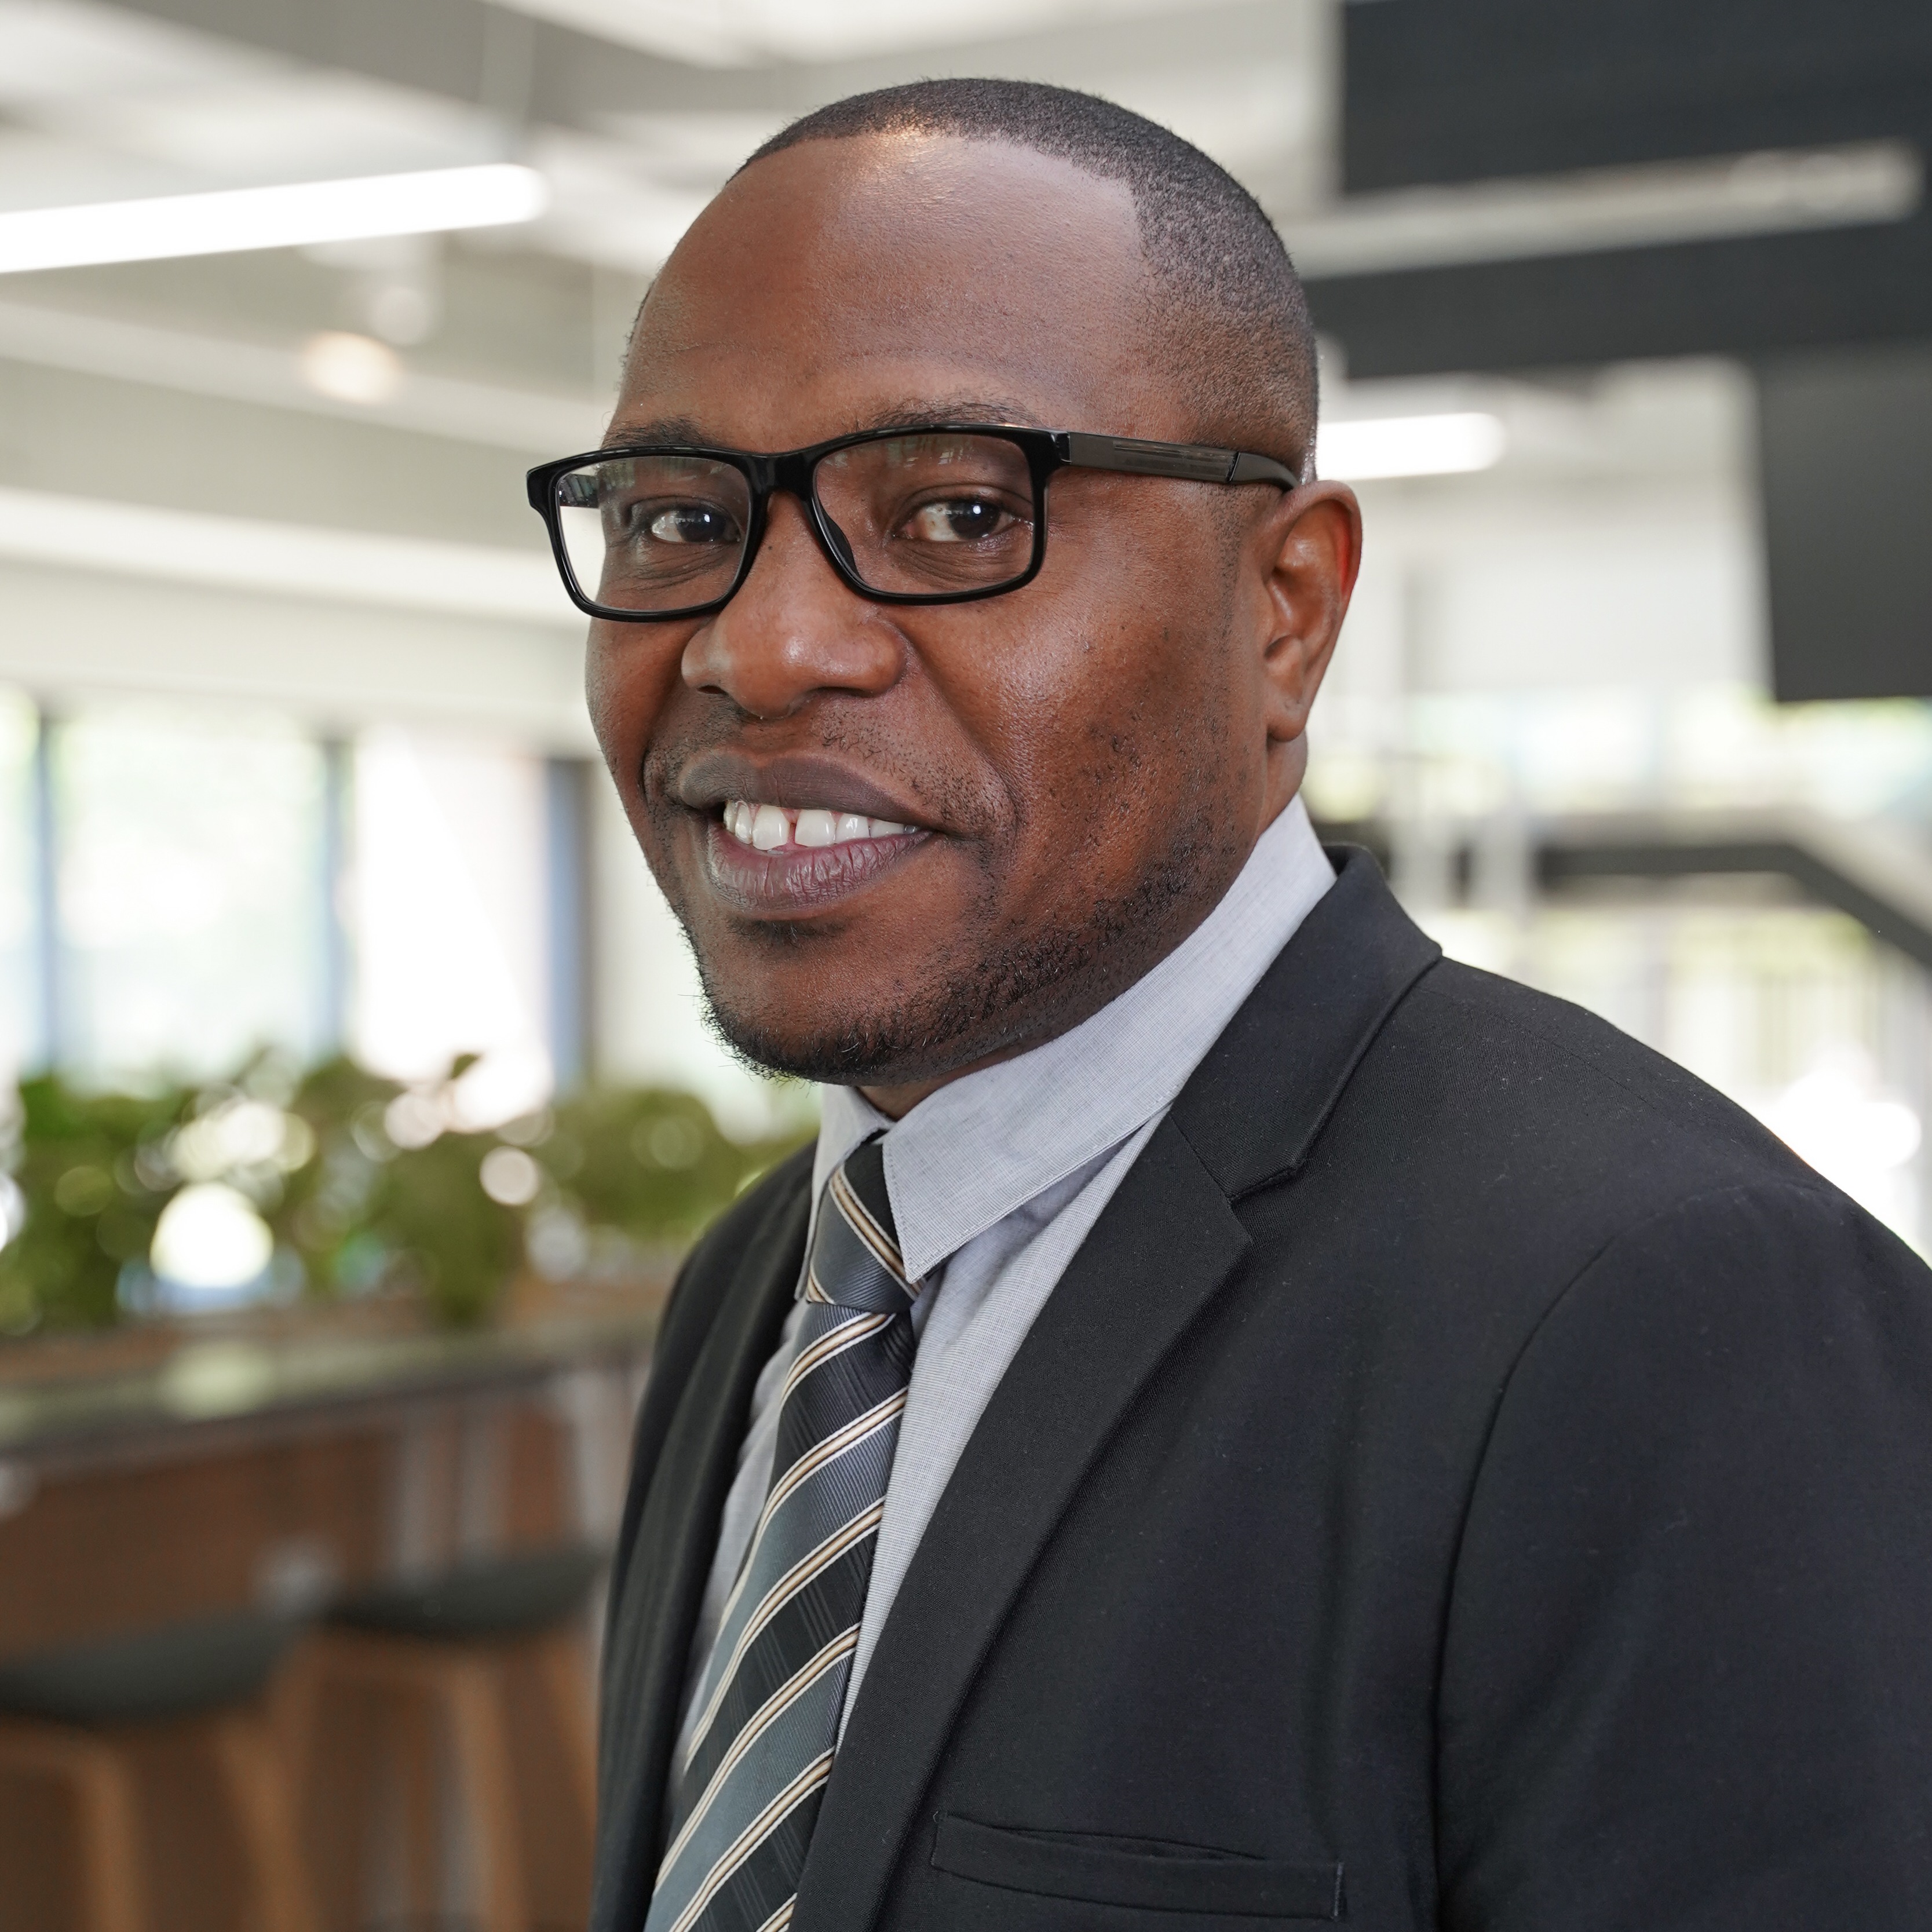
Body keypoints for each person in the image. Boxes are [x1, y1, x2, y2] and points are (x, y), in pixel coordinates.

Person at [530, 79, 1932, 1932]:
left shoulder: (1665, 1303)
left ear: (1285, 611)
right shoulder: (761, 1286)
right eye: (676, 519)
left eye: (959, 510)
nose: (760, 642)